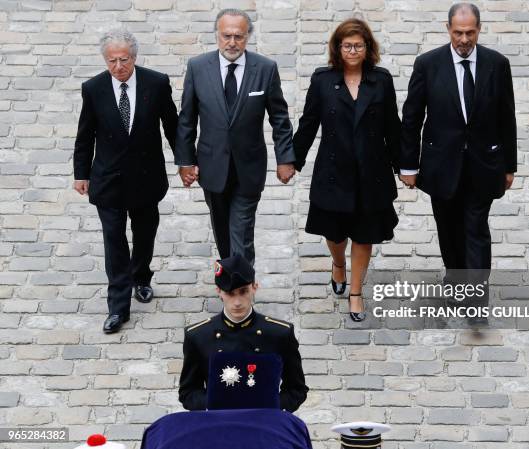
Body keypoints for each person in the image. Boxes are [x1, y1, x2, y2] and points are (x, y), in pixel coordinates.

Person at [399, 3, 517, 325]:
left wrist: (510, 165)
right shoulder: (428, 65)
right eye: (458, 33)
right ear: (447, 29)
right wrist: (408, 166)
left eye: (470, 32)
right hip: (441, 165)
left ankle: (477, 301)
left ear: (479, 29)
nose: (464, 39)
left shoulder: (496, 64)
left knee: (476, 229)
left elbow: (507, 116)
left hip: (484, 163)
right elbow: (412, 118)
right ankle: (455, 281)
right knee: (448, 230)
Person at [293, 18, 402, 322]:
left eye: (359, 45)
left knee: (364, 235)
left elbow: (393, 127)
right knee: (335, 233)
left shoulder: (381, 80)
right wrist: (291, 160)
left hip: (372, 172)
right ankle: (338, 262)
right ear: (338, 48)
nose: (353, 50)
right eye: (347, 45)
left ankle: (355, 293)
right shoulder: (323, 80)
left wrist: (404, 165)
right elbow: (308, 124)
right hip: (333, 171)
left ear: (368, 48)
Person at [73, 28, 177, 334]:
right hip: (108, 180)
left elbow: (172, 126)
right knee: (114, 241)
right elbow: (85, 134)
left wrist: (186, 161)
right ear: (105, 61)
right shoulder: (93, 88)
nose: (119, 67)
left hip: (146, 177)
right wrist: (81, 173)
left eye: (124, 60)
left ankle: (141, 277)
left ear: (134, 56)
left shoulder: (156, 83)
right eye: (112, 61)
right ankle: (118, 307)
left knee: (145, 233)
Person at [175, 9, 296, 266]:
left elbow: (280, 119)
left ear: (248, 36)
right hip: (212, 165)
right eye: (226, 36)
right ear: (217, 36)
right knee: (222, 231)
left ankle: (240, 289)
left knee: (241, 231)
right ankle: (230, 276)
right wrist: (185, 161)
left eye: (238, 36)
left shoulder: (265, 68)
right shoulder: (198, 67)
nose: (232, 42)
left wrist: (286, 158)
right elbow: (187, 119)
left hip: (248, 167)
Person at [178, 254, 308, 412]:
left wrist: (269, 408)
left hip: (264, 421)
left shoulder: (280, 333)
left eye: (243, 291)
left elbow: (296, 389)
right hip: (218, 421)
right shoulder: (198, 335)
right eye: (230, 293)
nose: (237, 302)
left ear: (255, 287)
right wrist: (213, 406)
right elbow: (188, 392)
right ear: (219, 291)